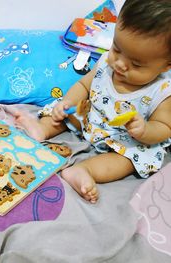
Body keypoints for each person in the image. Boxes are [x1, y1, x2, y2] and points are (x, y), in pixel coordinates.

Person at [15, 0, 171, 203]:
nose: (120, 64)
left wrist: (144, 131)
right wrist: (67, 102)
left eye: (136, 64)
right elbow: (83, 86)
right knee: (64, 111)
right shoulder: (106, 63)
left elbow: (165, 126)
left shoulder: (162, 91)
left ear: (166, 66)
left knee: (130, 159)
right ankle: (41, 130)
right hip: (90, 117)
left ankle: (83, 170)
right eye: (117, 49)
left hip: (125, 139)